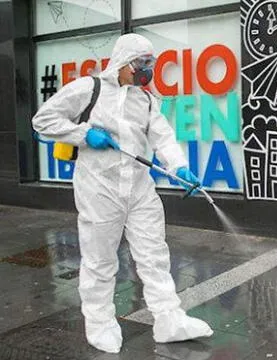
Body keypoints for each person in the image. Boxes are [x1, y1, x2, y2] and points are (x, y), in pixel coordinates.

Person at [31, 34, 213, 353]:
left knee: (155, 256)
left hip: (140, 189)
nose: (147, 70)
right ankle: (99, 323)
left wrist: (180, 167)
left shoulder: (144, 99)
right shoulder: (88, 89)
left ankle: (169, 320)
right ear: (123, 62)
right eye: (142, 63)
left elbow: (164, 138)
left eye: (150, 63)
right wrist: (85, 135)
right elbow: (42, 121)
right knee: (100, 260)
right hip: (99, 189)